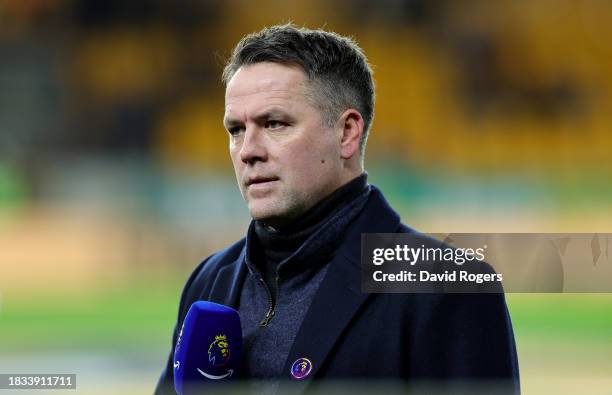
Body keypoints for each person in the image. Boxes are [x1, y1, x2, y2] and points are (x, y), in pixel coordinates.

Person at [155, 24, 520, 395]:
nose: (248, 150)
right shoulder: (210, 281)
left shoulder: (447, 287)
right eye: (235, 130)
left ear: (346, 133)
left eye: (274, 123)